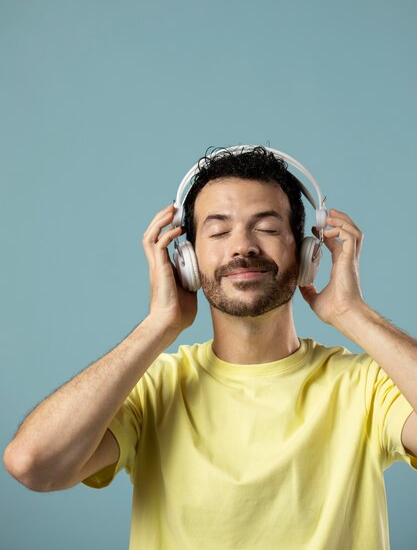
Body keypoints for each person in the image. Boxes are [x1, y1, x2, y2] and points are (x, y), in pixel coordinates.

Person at [4, 145, 417, 550]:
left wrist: (352, 313)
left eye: (268, 228)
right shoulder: (153, 390)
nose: (243, 247)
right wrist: (158, 326)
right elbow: (33, 466)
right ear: (185, 259)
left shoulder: (366, 386)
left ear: (307, 252)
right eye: (218, 231)